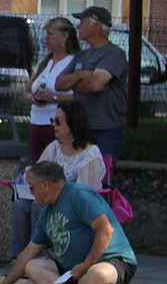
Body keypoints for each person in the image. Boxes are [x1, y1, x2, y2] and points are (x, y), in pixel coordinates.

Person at [0, 161, 137, 284]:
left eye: (31, 187)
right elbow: (28, 253)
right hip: (73, 270)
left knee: (97, 278)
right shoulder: (46, 213)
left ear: (46, 185)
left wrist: (86, 265)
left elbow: (106, 230)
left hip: (109, 260)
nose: (30, 192)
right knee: (32, 266)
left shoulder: (78, 194)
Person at [9, 100, 105, 258]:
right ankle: (19, 257)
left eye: (59, 121)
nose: (54, 125)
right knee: (20, 205)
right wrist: (29, 175)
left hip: (71, 207)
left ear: (73, 124)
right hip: (48, 199)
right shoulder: (54, 148)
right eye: (53, 120)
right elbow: (37, 173)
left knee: (38, 206)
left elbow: (84, 194)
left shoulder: (90, 155)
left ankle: (39, 255)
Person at [54, 6, 127, 163]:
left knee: (100, 181)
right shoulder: (82, 55)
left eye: (82, 21)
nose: (78, 26)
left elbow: (94, 85)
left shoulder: (115, 54)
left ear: (96, 25)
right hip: (79, 130)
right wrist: (83, 75)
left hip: (105, 131)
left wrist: (76, 82)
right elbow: (59, 83)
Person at [24, 17, 79, 162]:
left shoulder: (75, 61)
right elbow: (27, 90)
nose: (46, 38)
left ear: (65, 36)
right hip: (37, 122)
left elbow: (80, 96)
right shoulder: (45, 62)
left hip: (58, 125)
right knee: (38, 166)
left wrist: (53, 97)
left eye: (51, 34)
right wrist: (32, 98)